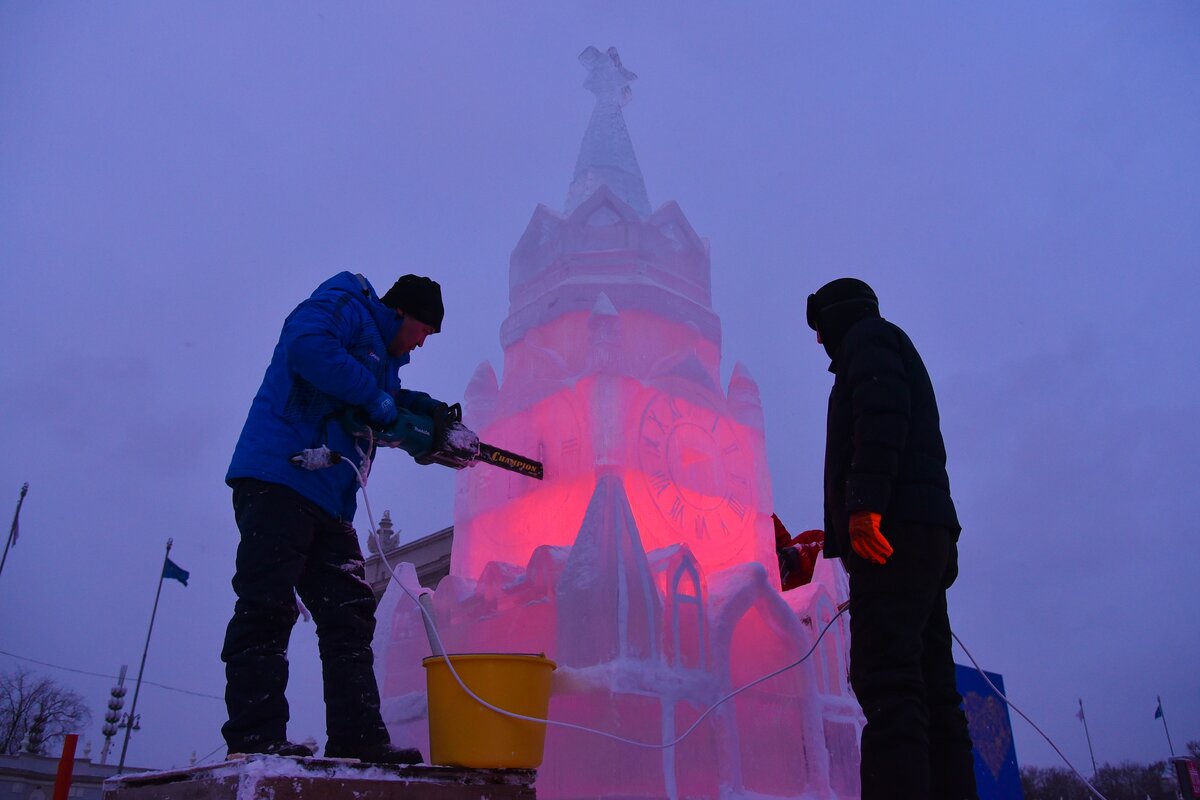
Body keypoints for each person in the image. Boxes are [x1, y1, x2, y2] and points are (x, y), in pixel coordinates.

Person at [222, 271, 474, 762]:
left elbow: (377, 403)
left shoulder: (384, 366)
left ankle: (359, 738)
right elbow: (308, 345)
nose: (423, 342)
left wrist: (421, 411)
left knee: (350, 618)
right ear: (400, 311)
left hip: (330, 500)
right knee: (266, 604)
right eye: (423, 329)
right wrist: (378, 400)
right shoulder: (344, 306)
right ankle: (255, 736)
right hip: (279, 476)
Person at [805, 278, 977, 799]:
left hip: (890, 536)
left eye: (820, 329)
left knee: (888, 684)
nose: (819, 344)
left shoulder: (869, 341)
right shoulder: (888, 343)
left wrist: (864, 507)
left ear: (839, 316)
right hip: (924, 535)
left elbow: (881, 419)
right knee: (931, 689)